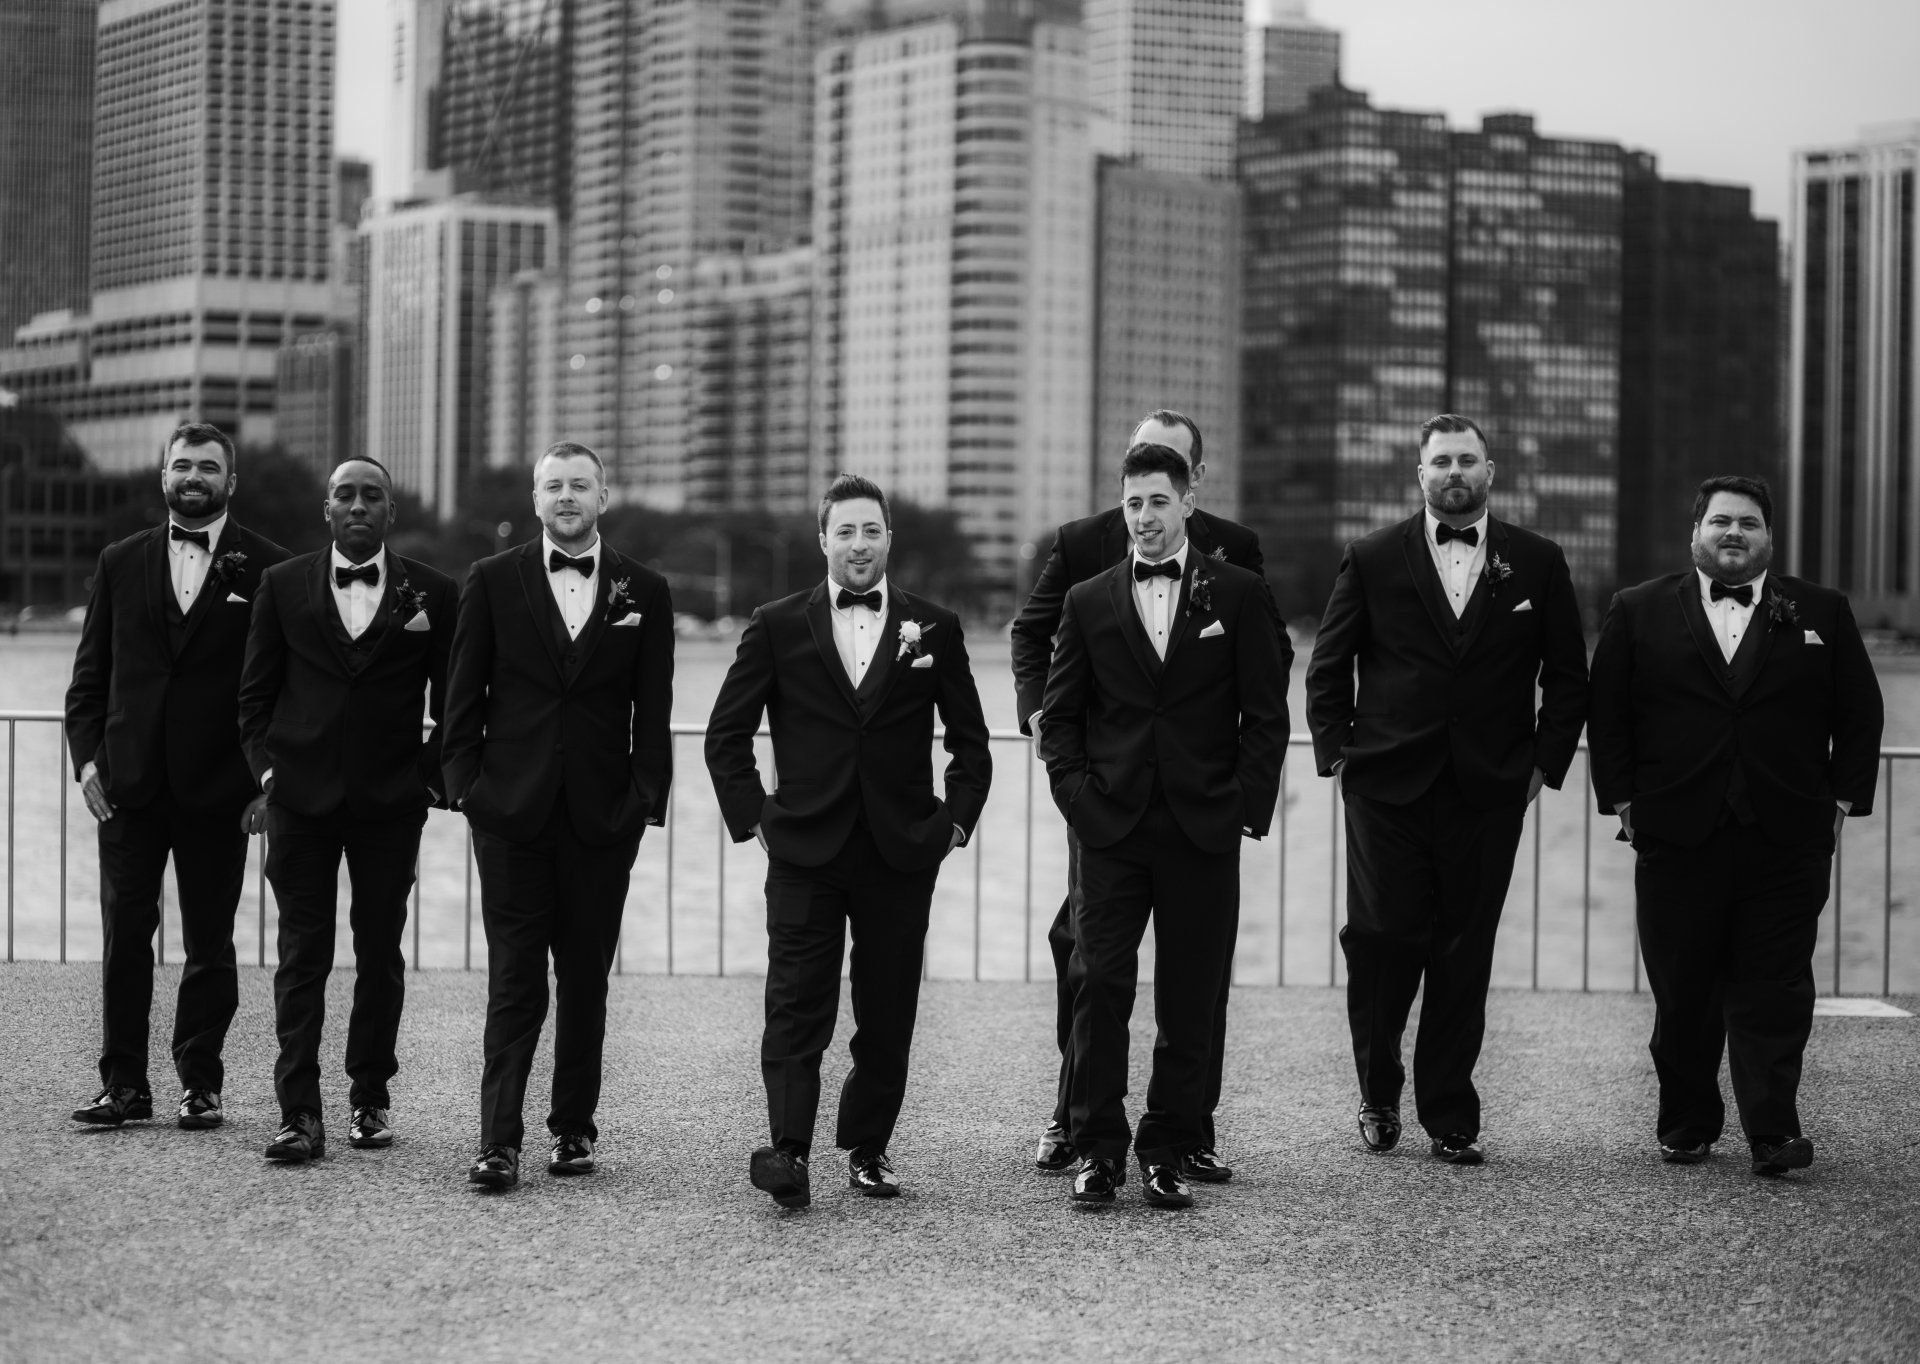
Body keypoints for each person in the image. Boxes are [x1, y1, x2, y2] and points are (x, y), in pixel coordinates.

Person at [1304, 413, 1587, 1165]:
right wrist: (1338, 759)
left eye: (1467, 460)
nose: (1453, 472)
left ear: (1491, 473)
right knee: (1382, 940)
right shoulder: (1370, 557)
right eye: (1440, 462)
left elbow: (1568, 679)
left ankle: (1450, 1114)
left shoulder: (1538, 561)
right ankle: (1377, 1088)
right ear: (1419, 474)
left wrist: (1541, 768)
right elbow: (1328, 668)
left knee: (1466, 950)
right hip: (1385, 788)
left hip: (1491, 792)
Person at [706, 474, 991, 1210]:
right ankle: (789, 1152)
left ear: (889, 539)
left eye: (871, 531)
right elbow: (725, 736)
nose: (858, 545)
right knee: (796, 1005)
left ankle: (868, 1149)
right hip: (805, 849)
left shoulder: (935, 627)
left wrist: (952, 825)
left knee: (888, 1007)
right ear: (823, 541)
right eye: (845, 532)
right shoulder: (775, 624)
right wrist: (759, 819)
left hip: (901, 851)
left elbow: (971, 744)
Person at [1587, 475, 1882, 1176]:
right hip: (1675, 835)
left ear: (1768, 539)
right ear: (1696, 532)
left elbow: (1860, 716)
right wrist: (1625, 805)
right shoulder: (1637, 609)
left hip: (1787, 839)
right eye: (1721, 521)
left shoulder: (1821, 611)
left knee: (1775, 989)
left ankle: (1773, 1132)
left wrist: (1837, 808)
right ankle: (1687, 1124)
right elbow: (1609, 718)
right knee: (1683, 990)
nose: (1733, 534)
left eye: (1748, 524)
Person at [1010, 409, 1277, 1182]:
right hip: (1110, 825)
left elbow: (1265, 713)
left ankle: (1167, 1147)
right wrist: (1076, 798)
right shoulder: (1089, 597)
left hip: (1202, 826)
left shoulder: (1239, 591)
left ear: (1188, 503)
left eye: (1159, 502)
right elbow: (1057, 717)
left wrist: (1242, 811)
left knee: (1191, 996)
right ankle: (1098, 1148)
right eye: (1133, 503)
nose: (1146, 517)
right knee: (1099, 987)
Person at [441, 441, 674, 1190]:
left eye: (580, 485)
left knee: (585, 980)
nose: (567, 497)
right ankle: (498, 1142)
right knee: (515, 981)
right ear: (535, 501)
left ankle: (573, 1130)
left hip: (605, 819)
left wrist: (645, 802)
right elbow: (460, 699)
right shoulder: (489, 580)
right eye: (554, 486)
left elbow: (655, 709)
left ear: (604, 497)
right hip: (509, 815)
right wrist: (468, 790)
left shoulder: (645, 588)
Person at [63, 422, 290, 1130]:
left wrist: (265, 781)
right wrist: (87, 761)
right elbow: (89, 680)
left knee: (210, 941)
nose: (193, 476)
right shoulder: (118, 561)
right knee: (124, 935)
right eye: (182, 465)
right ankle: (123, 1084)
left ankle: (201, 1083)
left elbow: (283, 688)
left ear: (231, 481)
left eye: (208, 467)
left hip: (221, 789)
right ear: (164, 475)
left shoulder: (271, 570)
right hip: (127, 787)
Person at [237, 457, 457, 1163]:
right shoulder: (281, 585)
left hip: (391, 805)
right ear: (326, 510)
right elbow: (253, 700)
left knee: (379, 955)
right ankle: (298, 1113)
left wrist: (426, 780)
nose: (358, 505)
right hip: (298, 803)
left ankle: (369, 1099)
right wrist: (269, 774)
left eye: (373, 496)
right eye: (345, 495)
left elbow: (454, 707)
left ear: (390, 511)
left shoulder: (434, 592)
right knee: (302, 957)